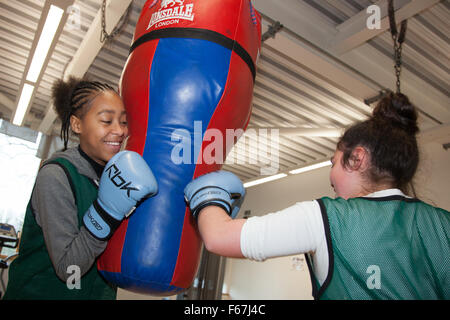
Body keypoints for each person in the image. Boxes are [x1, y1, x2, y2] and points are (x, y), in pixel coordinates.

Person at [184, 92, 450, 300]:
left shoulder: (327, 217)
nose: (331, 176)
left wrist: (208, 194)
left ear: (356, 159)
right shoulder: (443, 225)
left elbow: (219, 238)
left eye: (333, 163)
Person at [3, 77, 158, 300]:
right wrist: (107, 213)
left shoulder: (119, 176)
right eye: (107, 120)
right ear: (77, 124)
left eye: (124, 122)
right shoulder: (57, 175)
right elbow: (69, 269)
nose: (120, 131)